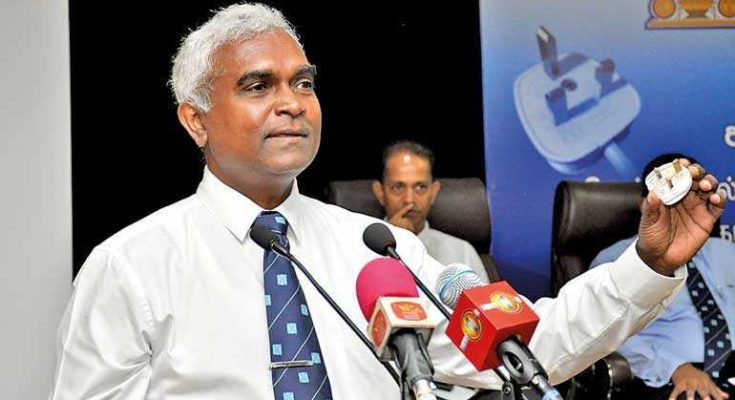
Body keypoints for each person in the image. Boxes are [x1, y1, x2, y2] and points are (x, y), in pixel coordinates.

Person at [48, 4, 726, 399]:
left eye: (303, 83)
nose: (292, 103)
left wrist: (649, 263)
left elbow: (527, 346)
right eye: (257, 86)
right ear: (195, 120)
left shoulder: (379, 252)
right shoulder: (130, 266)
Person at [591, 153, 735, 400]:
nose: (684, 207)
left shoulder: (728, 251)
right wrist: (675, 368)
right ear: (645, 206)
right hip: (671, 377)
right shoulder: (615, 261)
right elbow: (608, 336)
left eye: (692, 195)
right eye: (672, 195)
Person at [371, 140, 489, 282]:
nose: (409, 199)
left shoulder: (463, 252)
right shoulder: (359, 251)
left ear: (433, 192)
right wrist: (395, 239)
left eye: (420, 187)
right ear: (380, 192)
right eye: (398, 187)